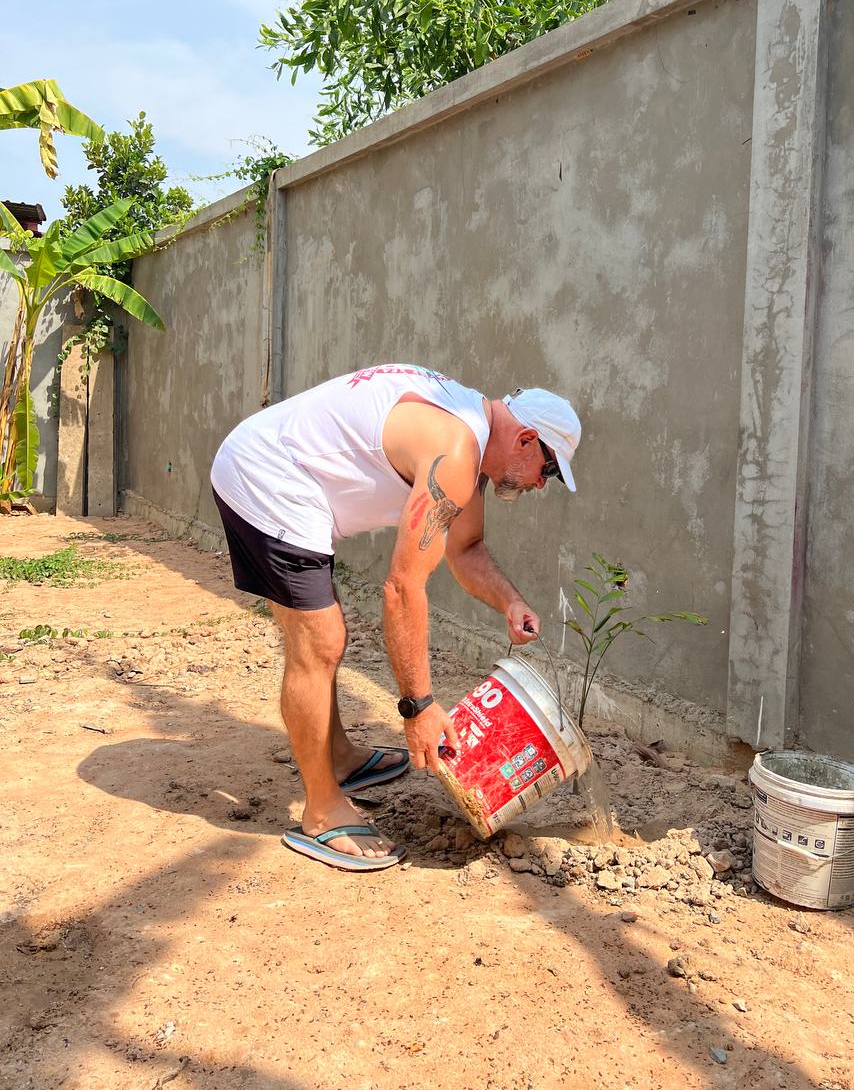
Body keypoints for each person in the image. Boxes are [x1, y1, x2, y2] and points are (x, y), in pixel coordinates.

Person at [210, 363, 581, 872]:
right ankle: (321, 812)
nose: (543, 484)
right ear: (527, 439)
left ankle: (338, 756)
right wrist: (419, 708)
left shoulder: (468, 438)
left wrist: (510, 602)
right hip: (265, 475)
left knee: (324, 635)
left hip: (287, 474)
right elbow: (403, 587)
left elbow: (465, 548)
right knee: (319, 640)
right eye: (550, 469)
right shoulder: (456, 450)